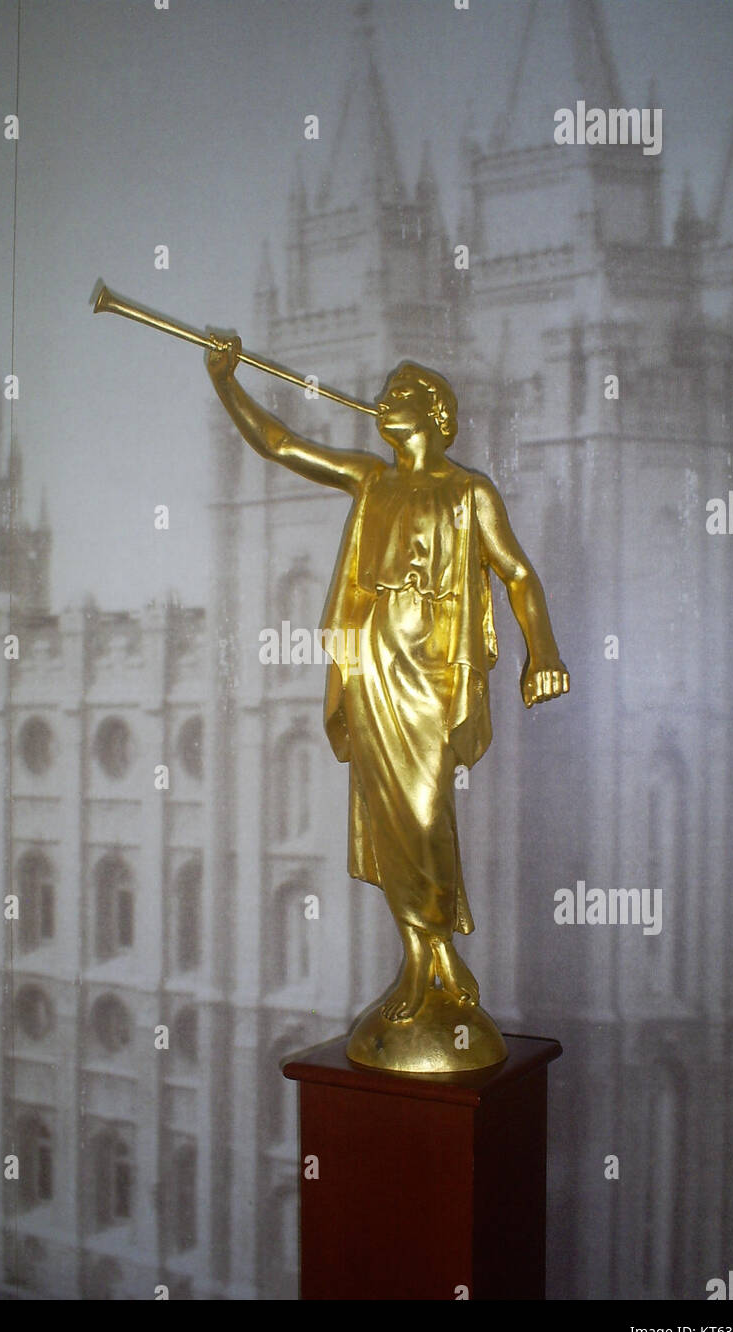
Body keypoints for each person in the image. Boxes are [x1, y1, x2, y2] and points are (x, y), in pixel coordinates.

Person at [207, 338, 569, 1025]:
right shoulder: (372, 478)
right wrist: (227, 383)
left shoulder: (468, 492)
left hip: (431, 672)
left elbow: (517, 573)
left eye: (399, 396)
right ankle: (423, 961)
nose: (383, 405)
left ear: (435, 412)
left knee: (426, 814)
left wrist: (541, 653)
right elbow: (282, 445)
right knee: (387, 819)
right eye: (384, 397)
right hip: (371, 663)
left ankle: (435, 957)